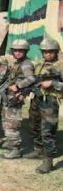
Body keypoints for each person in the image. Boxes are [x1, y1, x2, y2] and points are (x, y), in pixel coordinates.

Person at [29, 38, 62, 173]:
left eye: (50, 52)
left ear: (56, 52)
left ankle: (48, 161)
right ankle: (38, 150)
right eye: (45, 52)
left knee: (47, 131)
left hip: (50, 102)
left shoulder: (60, 66)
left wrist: (53, 83)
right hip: (37, 99)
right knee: (34, 125)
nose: (47, 54)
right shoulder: (39, 64)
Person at [1, 39, 36, 159]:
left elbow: (31, 79)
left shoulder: (26, 64)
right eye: (15, 50)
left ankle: (14, 149)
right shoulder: (18, 63)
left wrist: (18, 85)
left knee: (12, 123)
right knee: (7, 120)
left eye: (20, 50)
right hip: (10, 96)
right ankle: (10, 142)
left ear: (25, 51)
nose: (17, 52)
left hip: (16, 97)